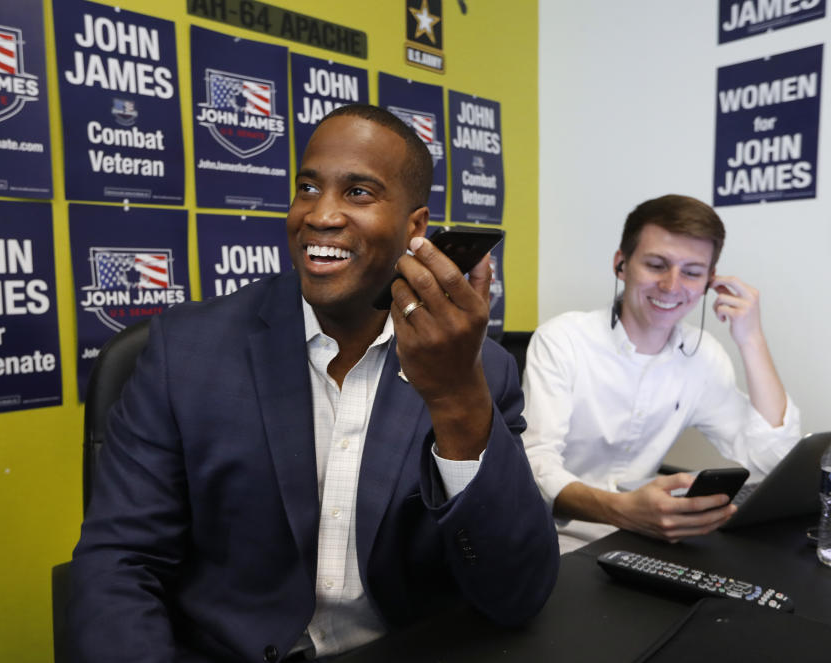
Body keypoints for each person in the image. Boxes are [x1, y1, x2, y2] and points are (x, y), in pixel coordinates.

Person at [69, 104, 558, 662]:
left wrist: (455, 398)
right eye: (307, 187)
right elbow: (119, 564)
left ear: (415, 227)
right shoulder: (184, 351)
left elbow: (517, 594)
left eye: (358, 193)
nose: (320, 215)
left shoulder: (480, 371)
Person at [522, 194, 801, 554]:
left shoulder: (704, 356)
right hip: (554, 541)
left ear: (709, 282)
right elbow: (535, 468)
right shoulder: (563, 340)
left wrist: (751, 339)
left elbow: (773, 459)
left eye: (692, 272)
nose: (672, 286)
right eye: (656, 265)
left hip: (642, 543)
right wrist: (622, 510)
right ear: (621, 265)